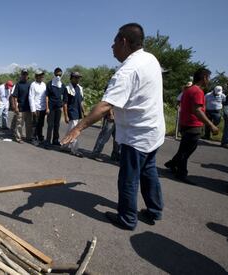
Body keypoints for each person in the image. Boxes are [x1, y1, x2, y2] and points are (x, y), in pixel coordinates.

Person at [61, 23, 165, 230]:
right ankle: (154, 210)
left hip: (137, 135)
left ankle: (127, 219)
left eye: (114, 42)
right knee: (149, 171)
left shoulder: (127, 71)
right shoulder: (150, 58)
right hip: (154, 131)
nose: (111, 47)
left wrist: (77, 128)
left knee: (128, 178)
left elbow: (105, 104)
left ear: (123, 42)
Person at [165, 68, 219, 183]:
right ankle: (181, 173)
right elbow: (197, 110)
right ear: (204, 77)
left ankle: (172, 163)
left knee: (184, 149)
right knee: (187, 150)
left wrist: (180, 125)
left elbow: (184, 108)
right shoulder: (198, 91)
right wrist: (211, 125)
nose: (208, 80)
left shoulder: (188, 90)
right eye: (208, 78)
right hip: (193, 125)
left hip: (186, 123)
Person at [62, 72, 85, 157]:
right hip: (72, 113)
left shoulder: (79, 88)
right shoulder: (67, 88)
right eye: (76, 77)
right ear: (71, 78)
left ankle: (64, 145)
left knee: (70, 131)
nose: (77, 79)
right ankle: (74, 150)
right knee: (75, 132)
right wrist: (66, 115)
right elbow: (65, 103)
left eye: (78, 78)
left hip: (78, 113)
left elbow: (81, 101)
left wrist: (84, 112)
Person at [45, 67, 66, 148]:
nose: (58, 76)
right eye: (57, 74)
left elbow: (64, 97)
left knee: (57, 125)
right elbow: (46, 96)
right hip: (51, 107)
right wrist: (47, 108)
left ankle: (55, 140)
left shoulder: (62, 85)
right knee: (50, 125)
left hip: (58, 108)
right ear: (54, 74)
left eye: (60, 75)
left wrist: (61, 106)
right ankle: (47, 141)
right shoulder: (50, 84)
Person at [12, 69, 32, 143]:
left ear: (28, 75)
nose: (25, 76)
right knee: (19, 124)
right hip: (20, 108)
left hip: (29, 108)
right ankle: (18, 138)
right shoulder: (18, 84)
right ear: (21, 75)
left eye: (26, 74)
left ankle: (29, 137)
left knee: (29, 124)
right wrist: (15, 107)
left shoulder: (30, 84)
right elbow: (14, 96)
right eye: (23, 74)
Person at [29, 70, 47, 145]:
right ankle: (33, 138)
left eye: (42, 75)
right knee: (35, 124)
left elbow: (45, 96)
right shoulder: (33, 84)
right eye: (40, 75)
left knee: (41, 124)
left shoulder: (44, 84)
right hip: (36, 108)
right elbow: (31, 97)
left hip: (43, 108)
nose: (41, 77)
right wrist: (33, 109)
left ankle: (40, 137)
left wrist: (46, 107)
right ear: (36, 76)